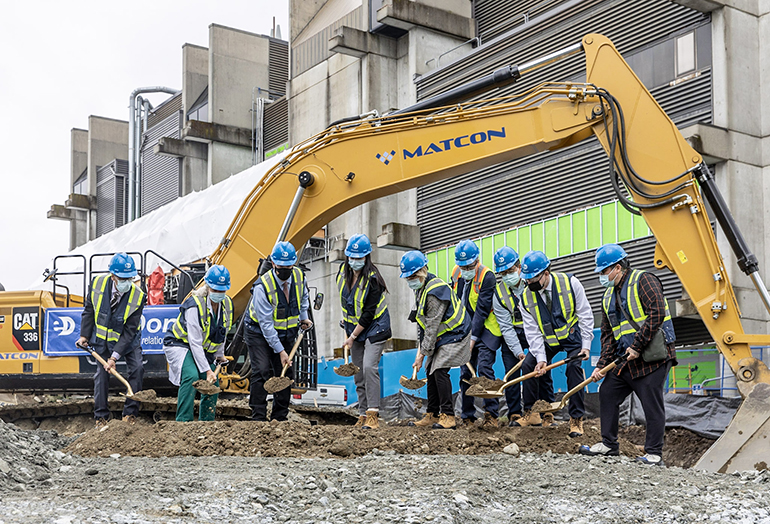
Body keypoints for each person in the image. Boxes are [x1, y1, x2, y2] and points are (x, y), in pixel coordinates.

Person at [579, 244, 677, 465]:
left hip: (653, 357)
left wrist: (638, 345)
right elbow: (608, 335)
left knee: (651, 403)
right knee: (607, 392)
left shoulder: (644, 280)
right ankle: (609, 445)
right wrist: (601, 365)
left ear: (618, 267)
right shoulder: (607, 297)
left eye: (604, 271)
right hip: (626, 360)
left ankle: (654, 454)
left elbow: (657, 313)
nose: (601, 276)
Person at [517, 250, 594, 437]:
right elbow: (532, 331)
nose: (529, 283)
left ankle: (576, 418)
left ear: (546, 273)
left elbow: (585, 314)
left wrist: (586, 345)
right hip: (547, 340)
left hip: (572, 337)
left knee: (573, 368)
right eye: (526, 280)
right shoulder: (525, 298)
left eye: (532, 279)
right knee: (530, 366)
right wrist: (541, 359)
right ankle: (539, 413)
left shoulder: (571, 283)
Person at [401, 251, 470, 430]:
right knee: (430, 370)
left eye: (412, 277)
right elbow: (422, 326)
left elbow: (431, 328)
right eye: (407, 278)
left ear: (422, 272)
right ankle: (432, 414)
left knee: (439, 369)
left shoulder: (434, 292)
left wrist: (422, 354)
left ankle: (448, 416)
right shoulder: (420, 290)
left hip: (456, 332)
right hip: (442, 335)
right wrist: (421, 353)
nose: (410, 281)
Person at [245, 241, 312, 422]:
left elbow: (303, 298)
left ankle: (279, 417)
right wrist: (281, 352)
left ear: (293, 264)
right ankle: (258, 416)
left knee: (286, 373)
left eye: (288, 267)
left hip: (286, 332)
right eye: (281, 267)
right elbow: (266, 325)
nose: (285, 271)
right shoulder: (262, 287)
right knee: (261, 371)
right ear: (273, 264)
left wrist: (304, 317)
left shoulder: (299, 276)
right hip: (258, 332)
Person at [77, 253, 146, 427]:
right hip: (103, 340)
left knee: (137, 369)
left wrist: (114, 357)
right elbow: (89, 310)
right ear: (113, 276)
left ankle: (130, 414)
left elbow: (130, 331)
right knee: (101, 375)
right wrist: (84, 335)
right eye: (122, 278)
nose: (126, 282)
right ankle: (101, 417)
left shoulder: (138, 296)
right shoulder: (97, 284)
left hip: (128, 341)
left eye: (129, 278)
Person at [492, 246, 557, 427]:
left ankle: (546, 412)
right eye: (503, 273)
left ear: (519, 267)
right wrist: (518, 352)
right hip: (514, 334)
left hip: (537, 331)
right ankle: (515, 414)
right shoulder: (499, 293)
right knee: (512, 374)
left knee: (542, 370)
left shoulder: (533, 282)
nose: (508, 275)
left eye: (510, 271)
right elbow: (506, 327)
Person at [163, 265, 233, 422]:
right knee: (191, 376)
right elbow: (194, 342)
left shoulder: (227, 304)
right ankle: (183, 421)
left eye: (222, 290)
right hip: (179, 344)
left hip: (201, 349)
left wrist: (220, 355)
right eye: (215, 290)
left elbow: (222, 331)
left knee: (213, 383)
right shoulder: (194, 305)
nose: (219, 293)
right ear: (208, 287)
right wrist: (207, 370)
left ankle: (206, 422)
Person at [337, 234, 392, 429]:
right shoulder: (342, 272)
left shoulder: (373, 279)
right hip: (354, 327)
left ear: (366, 257)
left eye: (359, 258)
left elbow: (368, 313)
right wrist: (347, 326)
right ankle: (362, 413)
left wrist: (352, 337)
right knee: (358, 372)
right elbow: (347, 301)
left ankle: (373, 414)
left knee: (369, 368)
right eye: (351, 257)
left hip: (376, 326)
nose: (354, 261)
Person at [452, 239, 502, 428]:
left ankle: (491, 415)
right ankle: (467, 416)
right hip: (465, 329)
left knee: (485, 369)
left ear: (477, 260)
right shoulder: (456, 273)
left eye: (470, 266)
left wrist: (471, 340)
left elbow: (482, 311)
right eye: (463, 266)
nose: (466, 269)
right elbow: (456, 304)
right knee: (465, 372)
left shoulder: (487, 276)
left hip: (487, 329)